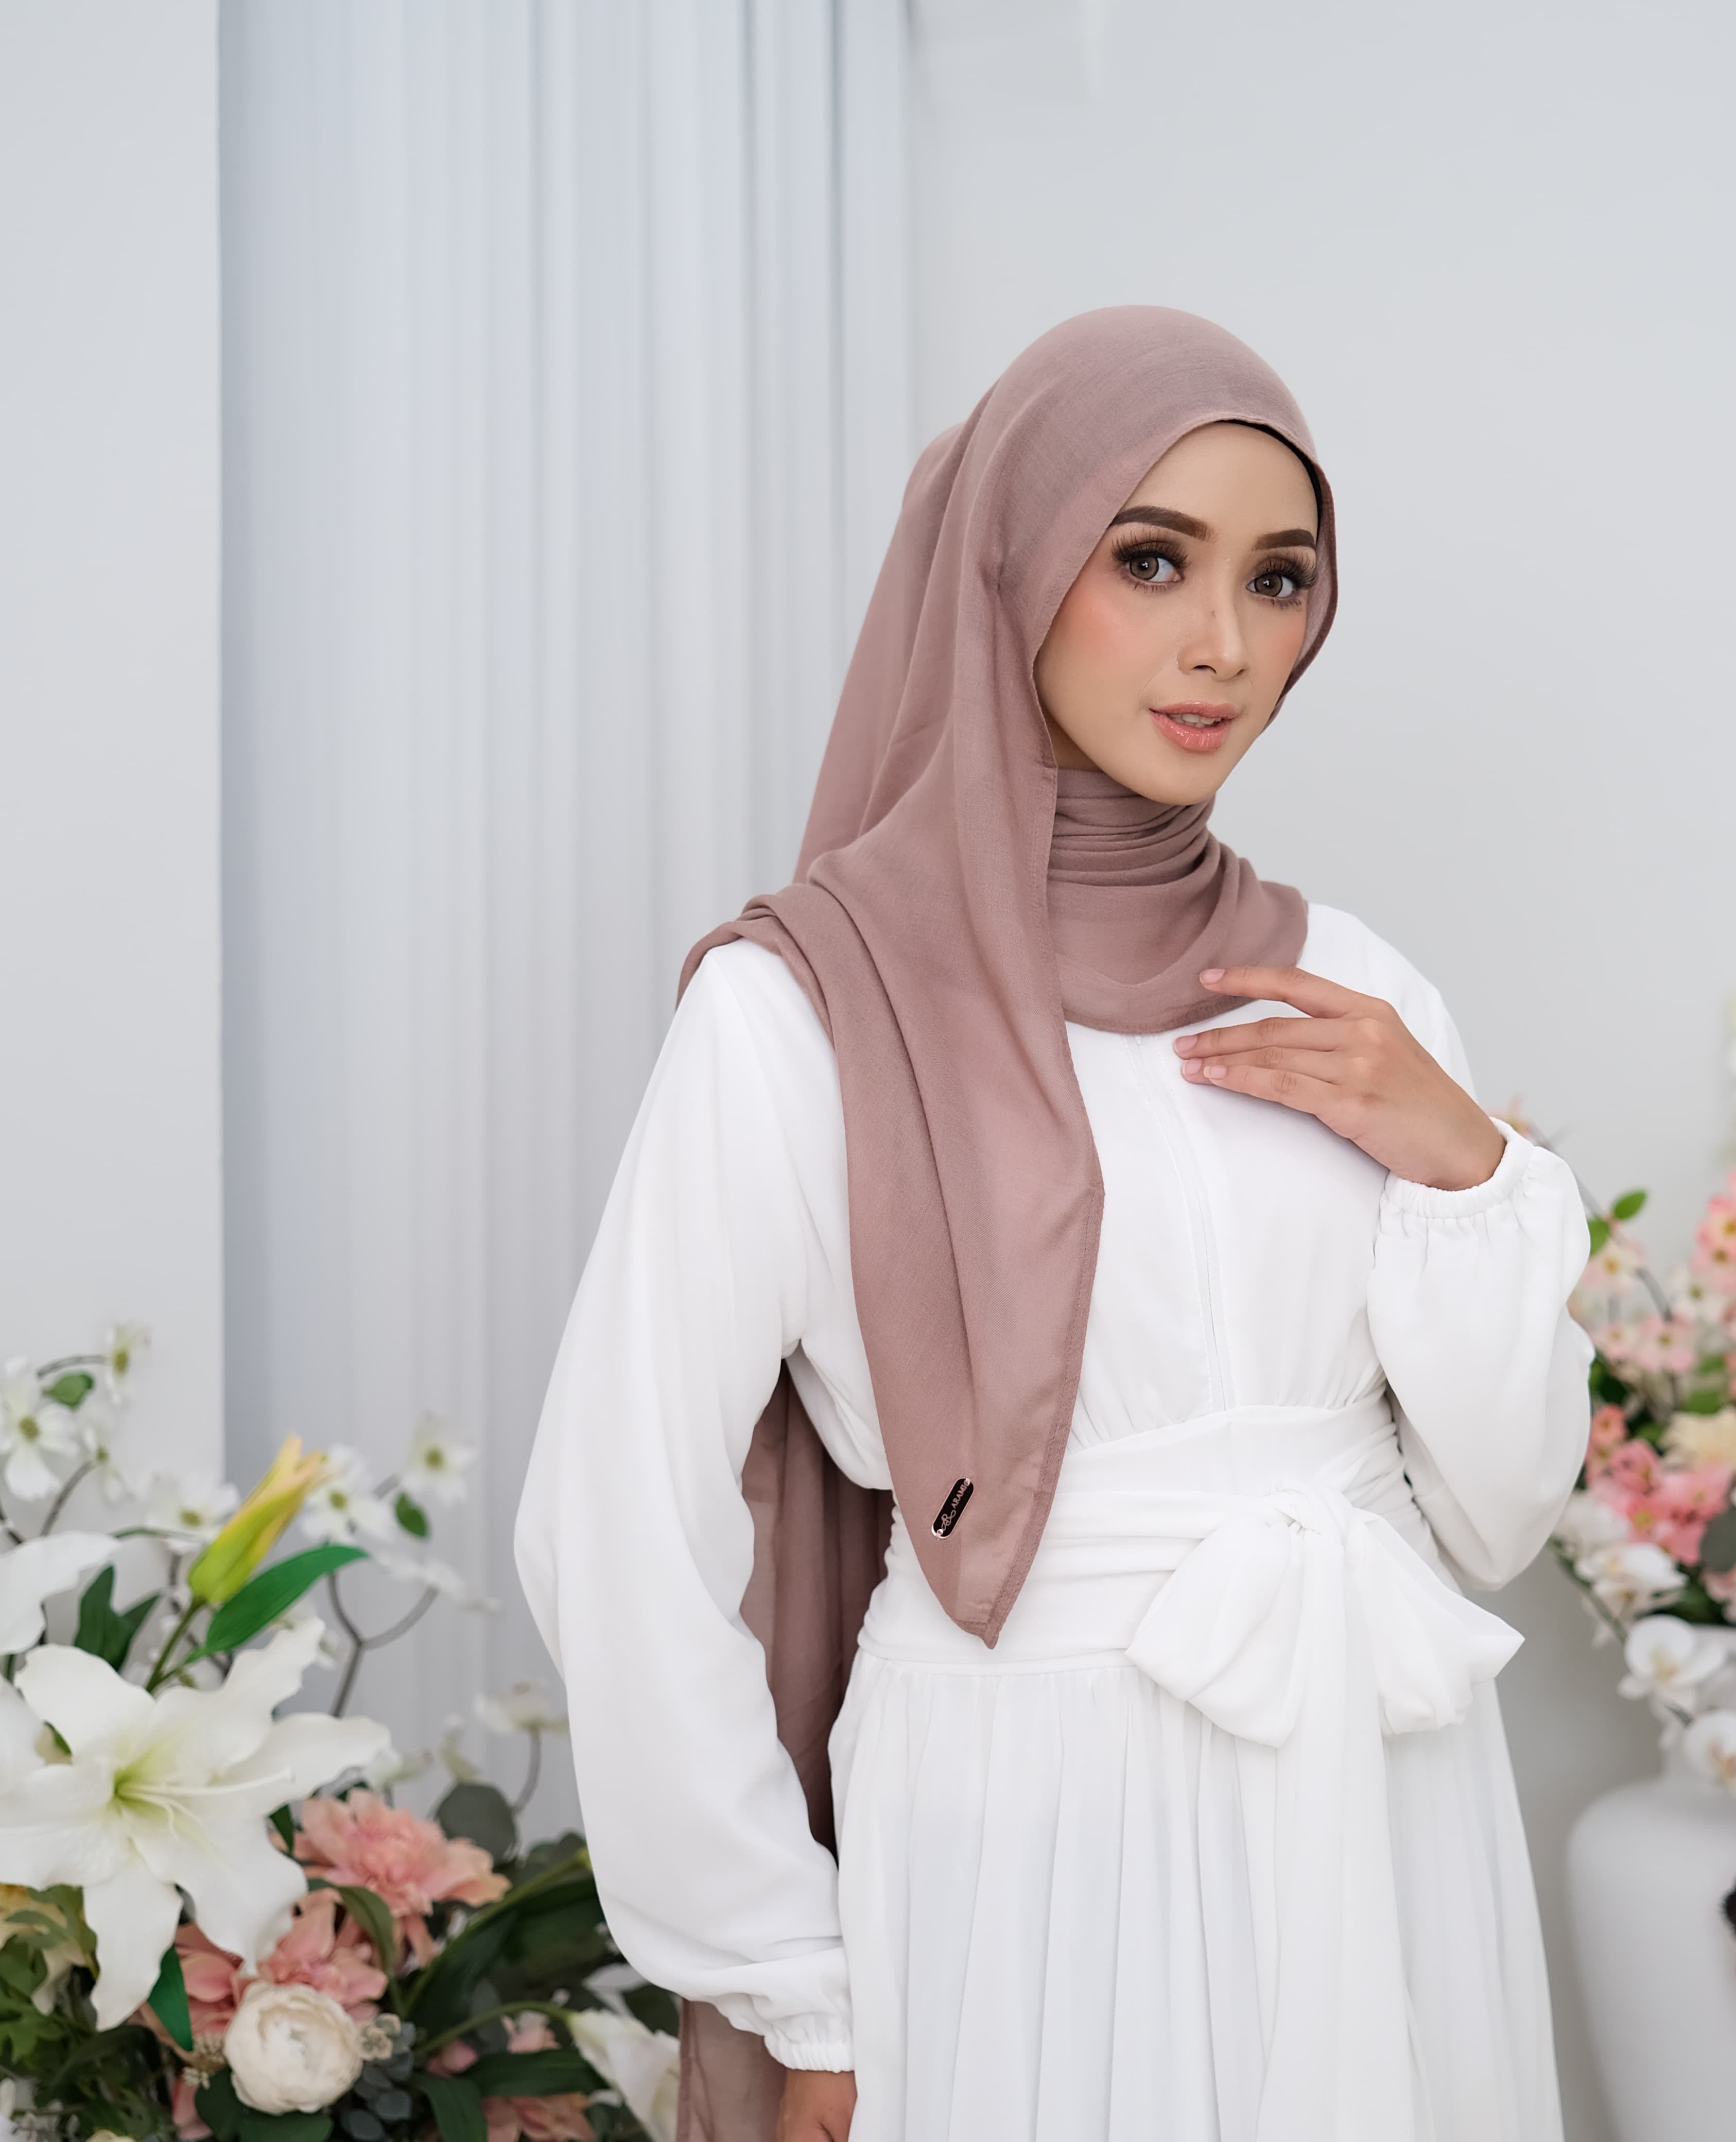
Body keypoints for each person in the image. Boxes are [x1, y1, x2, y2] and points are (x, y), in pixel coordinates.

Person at [517, 307, 1591, 2142]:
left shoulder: (1354, 988)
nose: (1220, 644)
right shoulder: (802, 1010)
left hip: (1379, 1793)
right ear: (1009, 570)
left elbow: (1494, 1515)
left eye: (1279, 579)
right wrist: (792, 1980)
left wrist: (1476, 1171)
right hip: (1024, 1825)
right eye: (1151, 559)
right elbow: (612, 1519)